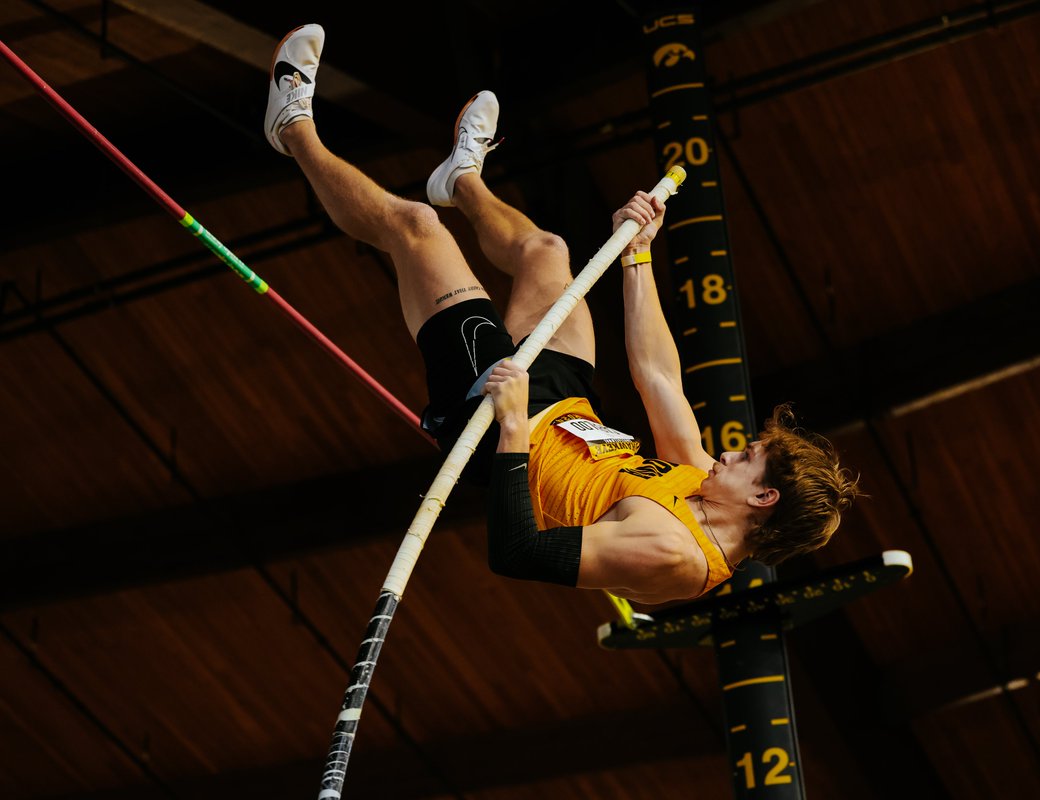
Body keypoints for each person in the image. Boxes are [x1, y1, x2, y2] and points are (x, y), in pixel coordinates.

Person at [265, 24, 860, 605]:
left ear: (763, 500)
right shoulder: (698, 480)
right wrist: (638, 255)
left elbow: (518, 553)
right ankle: (462, 178)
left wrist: (517, 428)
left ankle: (292, 126)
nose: (729, 453)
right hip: (562, 403)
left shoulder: (670, 553)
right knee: (545, 251)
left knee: (417, 229)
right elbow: (658, 376)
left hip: (497, 422)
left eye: (746, 459)